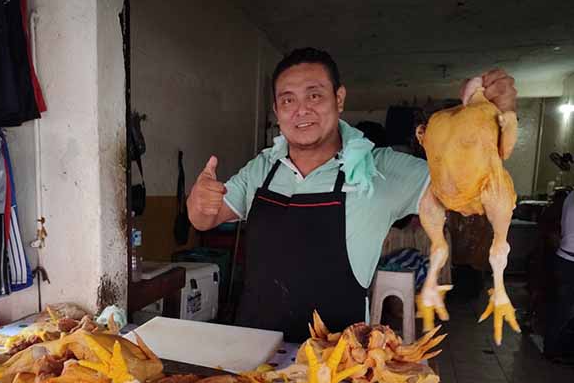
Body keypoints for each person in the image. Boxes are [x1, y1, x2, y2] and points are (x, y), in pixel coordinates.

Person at [186, 47, 517, 342]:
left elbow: (474, 195)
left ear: (339, 99)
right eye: (288, 100)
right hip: (256, 355)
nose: (301, 110)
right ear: (276, 109)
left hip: (340, 364)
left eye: (314, 96)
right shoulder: (262, 168)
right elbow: (204, 220)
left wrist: (496, 127)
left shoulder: (382, 169)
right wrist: (198, 200)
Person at [545, 189, 574, 363]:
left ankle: (552, 347)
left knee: (561, 308)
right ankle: (554, 349)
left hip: (564, 258)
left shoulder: (571, 196)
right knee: (564, 310)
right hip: (570, 261)